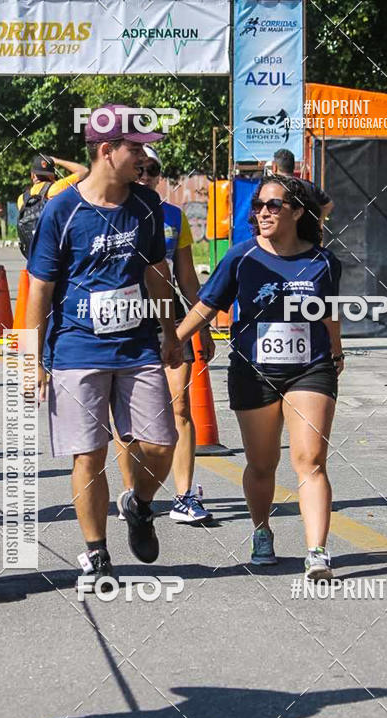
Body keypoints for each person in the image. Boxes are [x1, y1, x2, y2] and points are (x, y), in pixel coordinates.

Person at [26, 104, 182, 584]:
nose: (143, 156)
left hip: (137, 346)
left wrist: (170, 332)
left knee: (161, 443)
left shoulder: (147, 206)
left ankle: (139, 503)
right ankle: (96, 552)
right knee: (88, 453)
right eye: (134, 147)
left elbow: (158, 271)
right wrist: (32, 360)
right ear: (107, 150)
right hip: (76, 348)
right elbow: (39, 289)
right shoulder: (62, 209)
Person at [176, 175, 344, 580]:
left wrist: (336, 350)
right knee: (261, 463)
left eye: (273, 205)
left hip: (311, 367)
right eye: (259, 206)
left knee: (311, 460)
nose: (263, 212)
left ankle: (316, 552)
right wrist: (174, 339)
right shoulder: (241, 256)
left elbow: (330, 311)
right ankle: (261, 530)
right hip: (253, 371)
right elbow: (207, 303)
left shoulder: (323, 261)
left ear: (297, 212)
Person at [113, 146, 216, 523]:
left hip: (166, 319)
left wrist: (199, 325)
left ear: (159, 175)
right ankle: (133, 495)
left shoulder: (173, 216)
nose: (144, 175)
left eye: (152, 169)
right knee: (127, 417)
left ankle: (185, 495)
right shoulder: (110, 213)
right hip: (123, 320)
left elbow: (186, 276)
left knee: (179, 408)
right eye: (138, 168)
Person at [17, 154, 89, 259]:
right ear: (52, 175)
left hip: (34, 253)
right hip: (58, 250)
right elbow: (84, 171)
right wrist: (57, 160)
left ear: (32, 175)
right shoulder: (57, 188)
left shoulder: (22, 199)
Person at [271, 149, 334, 223]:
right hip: (307, 232)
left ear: (274, 167)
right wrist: (316, 221)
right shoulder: (309, 186)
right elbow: (328, 205)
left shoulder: (270, 189)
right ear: (293, 166)